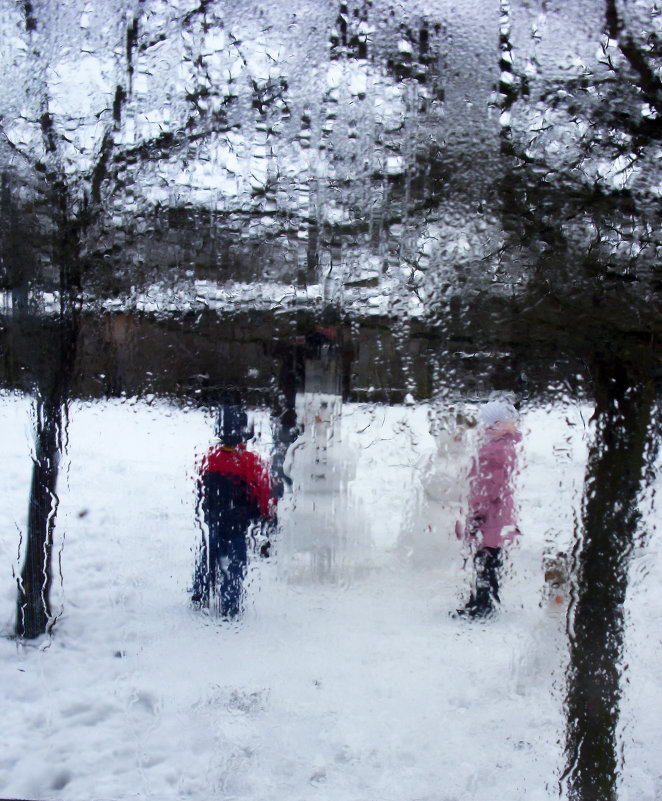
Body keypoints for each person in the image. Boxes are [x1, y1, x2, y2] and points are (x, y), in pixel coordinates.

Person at [192, 405, 277, 618]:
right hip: (237, 523)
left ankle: (200, 592)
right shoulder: (249, 461)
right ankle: (230, 604)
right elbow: (263, 491)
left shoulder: (209, 458)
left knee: (209, 555)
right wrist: (267, 514)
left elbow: (201, 487)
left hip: (214, 519)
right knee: (235, 562)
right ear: (243, 431)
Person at [456, 399, 522, 619]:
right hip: (490, 512)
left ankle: (483, 603)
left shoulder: (497, 450)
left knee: (487, 559)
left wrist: (478, 509)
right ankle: (484, 599)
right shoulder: (495, 446)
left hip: (490, 514)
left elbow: (491, 485)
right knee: (487, 559)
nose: (484, 429)